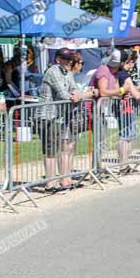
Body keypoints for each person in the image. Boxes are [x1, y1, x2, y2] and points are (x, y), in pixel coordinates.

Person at [37, 48, 97, 192]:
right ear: (58, 59)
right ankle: (50, 184)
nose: (70, 61)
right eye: (66, 59)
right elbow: (65, 95)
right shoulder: (53, 71)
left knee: (62, 149)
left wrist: (80, 95)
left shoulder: (67, 73)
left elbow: (75, 90)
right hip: (47, 116)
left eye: (71, 59)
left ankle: (64, 181)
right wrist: (86, 94)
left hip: (60, 116)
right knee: (51, 151)